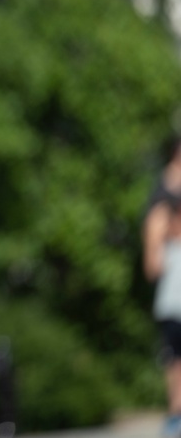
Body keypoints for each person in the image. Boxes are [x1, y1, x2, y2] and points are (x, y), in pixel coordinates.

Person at [145, 139, 181, 437]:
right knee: (174, 356)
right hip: (174, 288)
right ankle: (176, 411)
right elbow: (152, 259)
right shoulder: (163, 194)